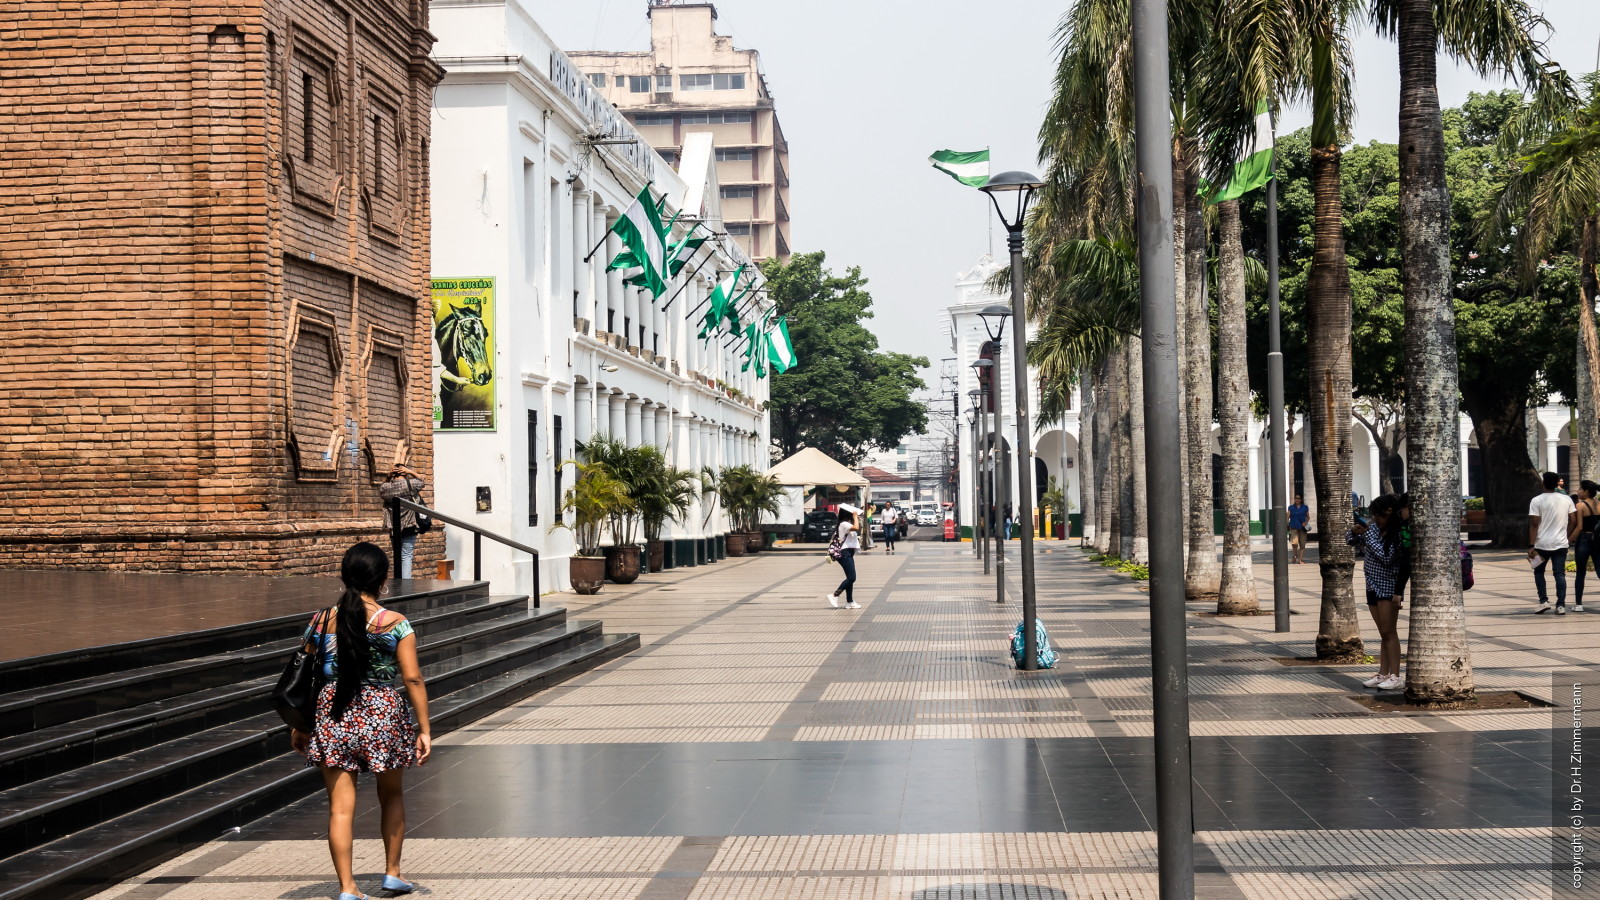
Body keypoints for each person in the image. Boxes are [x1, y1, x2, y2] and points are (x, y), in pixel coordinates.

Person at [292, 542, 432, 900]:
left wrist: (301, 724)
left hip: (333, 712)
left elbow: (306, 676)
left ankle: (348, 889)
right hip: (383, 713)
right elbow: (412, 678)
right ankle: (393, 874)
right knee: (392, 794)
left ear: (344, 576)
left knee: (340, 808)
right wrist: (425, 728)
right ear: (383, 580)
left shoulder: (320, 620)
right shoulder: (396, 624)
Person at [1350, 494, 1405, 691]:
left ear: (1389, 513)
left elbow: (1387, 557)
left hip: (1388, 586)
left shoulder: (1397, 533)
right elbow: (1350, 540)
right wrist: (1355, 532)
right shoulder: (1374, 529)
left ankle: (1396, 675)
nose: (1376, 521)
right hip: (1372, 585)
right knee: (1383, 632)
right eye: (1373, 517)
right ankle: (1383, 672)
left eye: (1379, 516)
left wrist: (1368, 537)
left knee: (1390, 631)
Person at [1530, 471, 1579, 614]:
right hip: (1560, 544)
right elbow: (1574, 521)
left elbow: (1534, 524)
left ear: (1543, 483)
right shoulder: (1567, 499)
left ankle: (1543, 601)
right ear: (1557, 483)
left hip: (1541, 544)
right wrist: (1566, 536)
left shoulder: (1536, 500)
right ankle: (1561, 605)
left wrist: (1531, 545)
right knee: (1560, 574)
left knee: (1539, 572)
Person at [378, 464, 428, 579]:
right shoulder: (410, 484)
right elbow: (422, 480)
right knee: (406, 555)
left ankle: (398, 582)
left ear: (393, 475)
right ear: (404, 474)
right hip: (409, 525)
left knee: (397, 555)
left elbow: (381, 488)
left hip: (393, 526)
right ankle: (405, 587)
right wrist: (410, 471)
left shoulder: (387, 488)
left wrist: (387, 477)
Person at [1571, 480, 1600, 612]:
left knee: (1581, 572)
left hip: (1584, 539)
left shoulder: (1580, 506)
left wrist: (1568, 539)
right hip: (1598, 540)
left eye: (1580, 489)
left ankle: (1578, 604)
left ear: (1586, 491)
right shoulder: (1599, 504)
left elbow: (1579, 526)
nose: (1578, 491)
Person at [826, 510, 862, 609]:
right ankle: (834, 595)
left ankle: (849, 601)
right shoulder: (844, 524)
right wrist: (855, 516)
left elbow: (857, 528)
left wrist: (856, 518)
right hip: (844, 553)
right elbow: (856, 527)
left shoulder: (846, 524)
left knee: (849, 578)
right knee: (852, 578)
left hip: (848, 553)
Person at [1287, 494, 1311, 564]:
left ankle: (1300, 560)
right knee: (1294, 543)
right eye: (1296, 498)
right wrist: (1287, 524)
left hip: (1302, 528)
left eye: (1299, 498)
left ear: (1301, 500)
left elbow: (1308, 517)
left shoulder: (1305, 507)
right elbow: (1288, 517)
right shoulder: (1291, 507)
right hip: (1293, 526)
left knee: (1302, 543)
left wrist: (1306, 522)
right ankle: (1295, 555)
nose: (1297, 499)